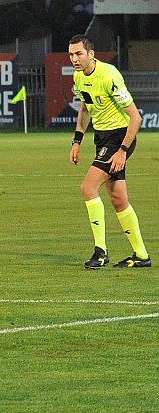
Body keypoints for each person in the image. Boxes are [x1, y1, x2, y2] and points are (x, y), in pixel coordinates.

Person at [68, 34, 151, 269]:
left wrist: (122, 150)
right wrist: (77, 140)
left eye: (79, 53)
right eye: (71, 54)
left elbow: (135, 117)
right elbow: (85, 108)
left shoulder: (109, 75)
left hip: (120, 137)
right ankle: (141, 255)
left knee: (88, 187)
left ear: (91, 54)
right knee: (118, 199)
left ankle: (100, 252)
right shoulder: (78, 77)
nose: (74, 58)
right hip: (102, 138)